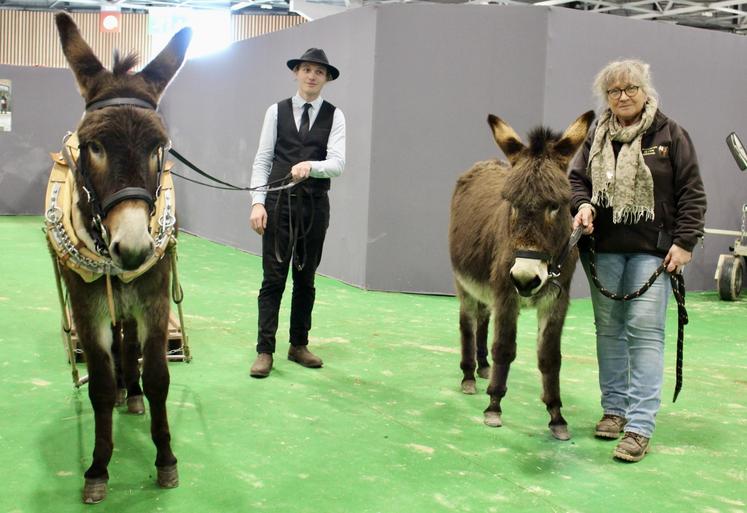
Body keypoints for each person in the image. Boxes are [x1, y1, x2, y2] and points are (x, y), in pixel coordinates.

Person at [569, 59, 706, 462]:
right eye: (614, 91)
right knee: (608, 331)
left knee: (644, 334)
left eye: (630, 88)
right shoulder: (596, 133)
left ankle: (639, 427)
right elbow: (577, 180)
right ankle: (614, 410)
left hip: (654, 252)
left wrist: (685, 242)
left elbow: (692, 192)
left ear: (645, 90)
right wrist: (582, 206)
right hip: (604, 249)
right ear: (606, 97)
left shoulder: (671, 134)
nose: (623, 96)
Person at [248, 48, 346, 378]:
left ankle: (298, 345)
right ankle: (265, 351)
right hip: (278, 204)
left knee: (306, 278)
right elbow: (262, 160)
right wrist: (257, 202)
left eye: (319, 71)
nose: (312, 75)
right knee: (273, 278)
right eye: (306, 69)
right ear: (296, 73)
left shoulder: (336, 116)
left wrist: (312, 166)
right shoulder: (275, 112)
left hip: (314, 207)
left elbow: (337, 163)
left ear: (327, 78)